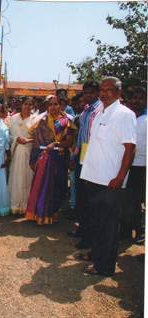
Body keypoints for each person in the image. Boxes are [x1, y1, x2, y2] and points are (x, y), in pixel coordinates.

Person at [79, 77, 136, 277]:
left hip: (110, 181)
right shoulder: (98, 112)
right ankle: (97, 254)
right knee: (97, 221)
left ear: (119, 93)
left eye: (110, 90)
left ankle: (104, 266)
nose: (104, 93)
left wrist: (120, 177)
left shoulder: (124, 115)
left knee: (108, 225)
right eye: (102, 89)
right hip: (93, 177)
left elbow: (130, 148)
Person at [25, 95, 76, 224]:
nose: (53, 107)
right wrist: (34, 157)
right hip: (44, 158)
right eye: (50, 104)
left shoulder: (67, 121)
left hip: (59, 158)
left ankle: (52, 213)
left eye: (55, 104)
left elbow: (69, 141)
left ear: (61, 105)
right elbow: (36, 141)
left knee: (58, 187)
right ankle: (40, 214)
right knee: (42, 186)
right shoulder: (41, 120)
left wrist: (56, 144)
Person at [69, 81, 102, 249]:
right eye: (85, 93)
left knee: (90, 199)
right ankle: (82, 228)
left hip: (94, 157)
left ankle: (89, 237)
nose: (88, 95)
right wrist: (75, 155)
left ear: (97, 92)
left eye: (91, 92)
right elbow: (81, 136)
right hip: (83, 154)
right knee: (82, 196)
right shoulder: (86, 111)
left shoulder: (100, 110)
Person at [122, 86, 146, 243]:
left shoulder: (145, 120)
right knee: (125, 200)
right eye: (134, 98)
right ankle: (124, 231)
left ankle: (139, 231)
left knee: (136, 201)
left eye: (141, 98)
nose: (137, 101)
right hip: (125, 165)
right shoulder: (126, 119)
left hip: (141, 166)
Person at [8, 97, 35, 215]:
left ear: (33, 106)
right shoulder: (13, 119)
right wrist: (16, 139)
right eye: (25, 104)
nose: (27, 106)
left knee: (27, 178)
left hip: (29, 153)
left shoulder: (36, 119)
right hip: (16, 152)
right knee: (16, 177)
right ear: (21, 105)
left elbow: (39, 137)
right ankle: (14, 205)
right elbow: (7, 135)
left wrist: (28, 140)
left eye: (30, 104)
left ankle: (25, 206)